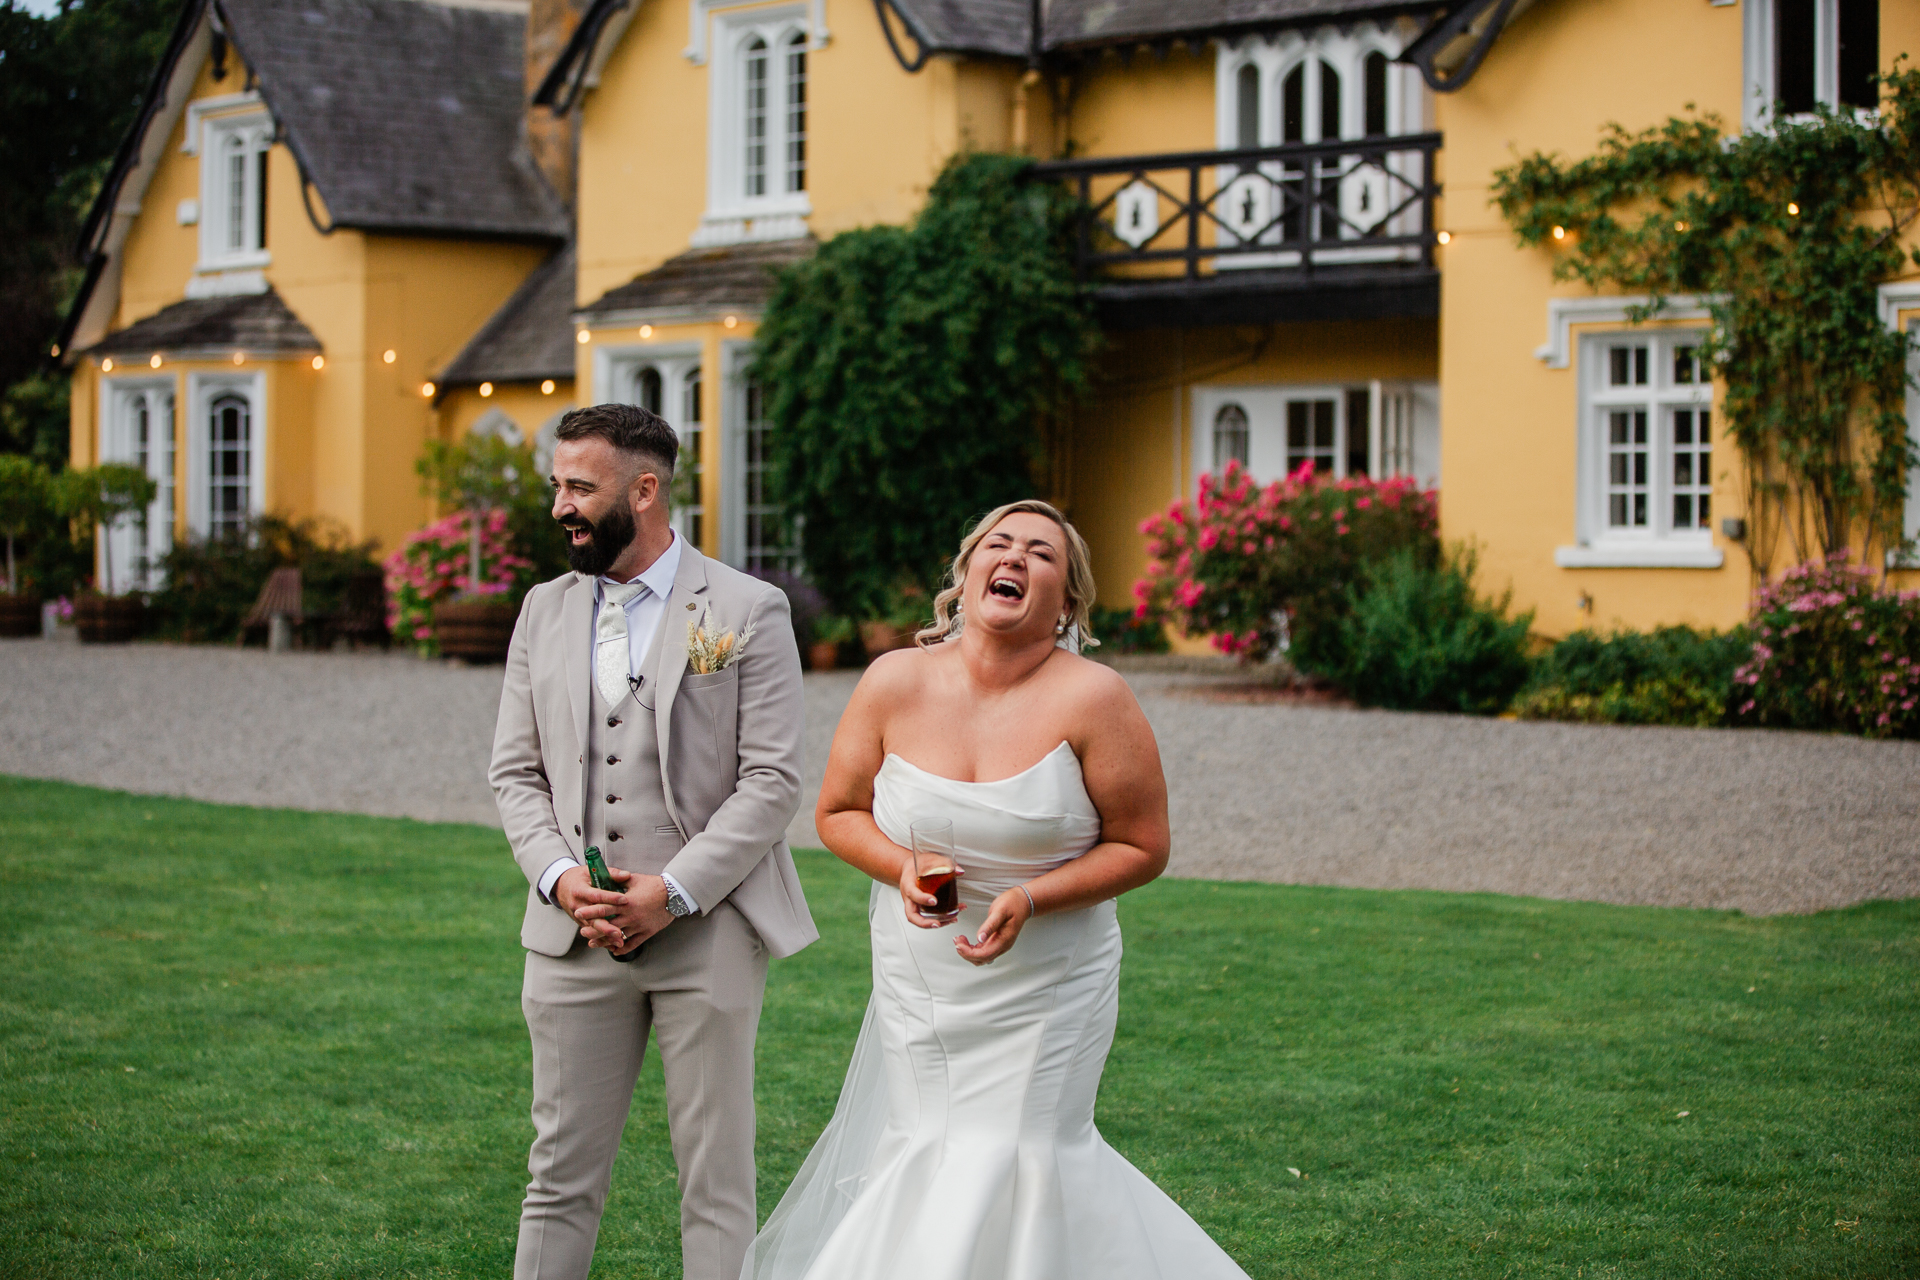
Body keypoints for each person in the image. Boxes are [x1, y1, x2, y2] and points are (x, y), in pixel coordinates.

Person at [742, 499, 1253, 1280]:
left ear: (1069, 600)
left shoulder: (1097, 698)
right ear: (968, 571)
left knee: (1028, 1149)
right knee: (928, 1145)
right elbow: (838, 813)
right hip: (926, 975)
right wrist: (900, 868)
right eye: (999, 545)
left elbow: (1144, 847)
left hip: (1053, 980)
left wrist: (1034, 897)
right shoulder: (893, 682)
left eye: (1041, 554)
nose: (1014, 559)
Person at [489, 402, 815, 1280]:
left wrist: (669, 893)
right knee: (556, 1175)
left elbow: (774, 781)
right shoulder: (542, 609)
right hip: (570, 938)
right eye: (555, 485)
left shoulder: (749, 607)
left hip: (705, 934)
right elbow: (516, 775)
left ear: (644, 489)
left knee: (715, 1183)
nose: (560, 506)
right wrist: (560, 878)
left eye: (579, 487)